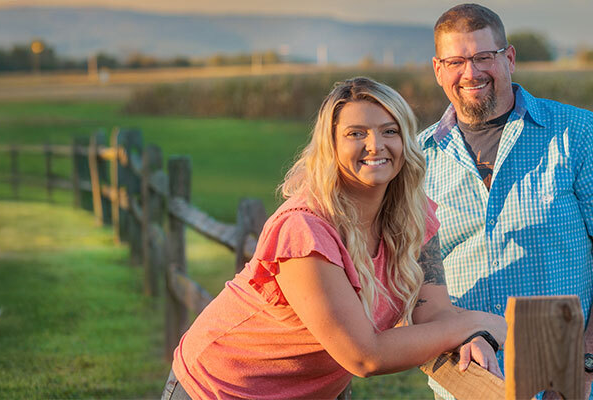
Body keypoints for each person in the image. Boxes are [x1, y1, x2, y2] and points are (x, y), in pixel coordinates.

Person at [165, 77, 506, 400]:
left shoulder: (413, 217)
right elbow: (364, 356)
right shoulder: (305, 230)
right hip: (222, 388)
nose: (376, 145)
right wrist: (477, 322)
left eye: (390, 131)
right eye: (356, 133)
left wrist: (473, 335)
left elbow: (434, 312)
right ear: (331, 145)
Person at [420, 4, 593, 399]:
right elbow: (404, 275)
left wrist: (584, 366)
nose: (470, 73)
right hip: (464, 380)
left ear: (509, 58)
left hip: (558, 378)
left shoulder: (576, 133)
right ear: (438, 70)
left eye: (483, 57)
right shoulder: (417, 158)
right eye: (456, 61)